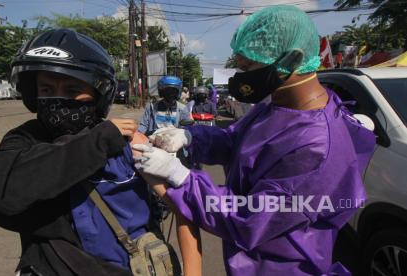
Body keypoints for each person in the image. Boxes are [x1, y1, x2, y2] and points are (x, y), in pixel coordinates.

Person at [133, 5, 376, 276]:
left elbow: (249, 217)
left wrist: (179, 176)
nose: (241, 76)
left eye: (248, 66)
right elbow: (235, 139)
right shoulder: (275, 105)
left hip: (280, 267)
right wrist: (189, 137)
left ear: (289, 60)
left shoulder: (315, 146)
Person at [0, 29, 191, 276]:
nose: (58, 100)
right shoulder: (29, 139)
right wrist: (95, 143)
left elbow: (183, 206)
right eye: (47, 90)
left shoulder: (125, 140)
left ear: (98, 93)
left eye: (72, 91)